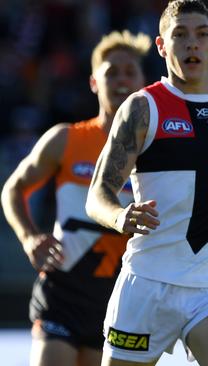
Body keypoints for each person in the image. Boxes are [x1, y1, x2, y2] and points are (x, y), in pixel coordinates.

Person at [84, 1, 208, 365]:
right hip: (147, 283)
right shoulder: (142, 108)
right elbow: (98, 193)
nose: (191, 44)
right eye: (180, 35)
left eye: (201, 35)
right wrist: (119, 217)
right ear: (162, 46)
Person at [1, 30, 150, 366]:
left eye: (130, 72)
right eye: (111, 72)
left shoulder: (157, 151)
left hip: (121, 296)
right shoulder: (65, 139)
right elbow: (14, 188)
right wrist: (29, 237)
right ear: (94, 82)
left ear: (143, 83)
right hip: (63, 288)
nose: (121, 80)